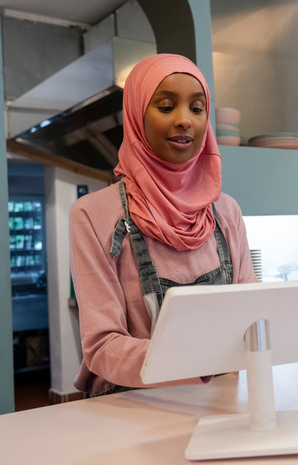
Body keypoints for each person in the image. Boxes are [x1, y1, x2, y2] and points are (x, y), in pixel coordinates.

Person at [69, 54, 258, 396]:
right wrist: (197, 360)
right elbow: (102, 347)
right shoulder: (93, 215)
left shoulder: (226, 212)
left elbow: (253, 315)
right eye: (167, 106)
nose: (185, 120)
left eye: (197, 108)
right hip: (132, 405)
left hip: (220, 398)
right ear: (137, 115)